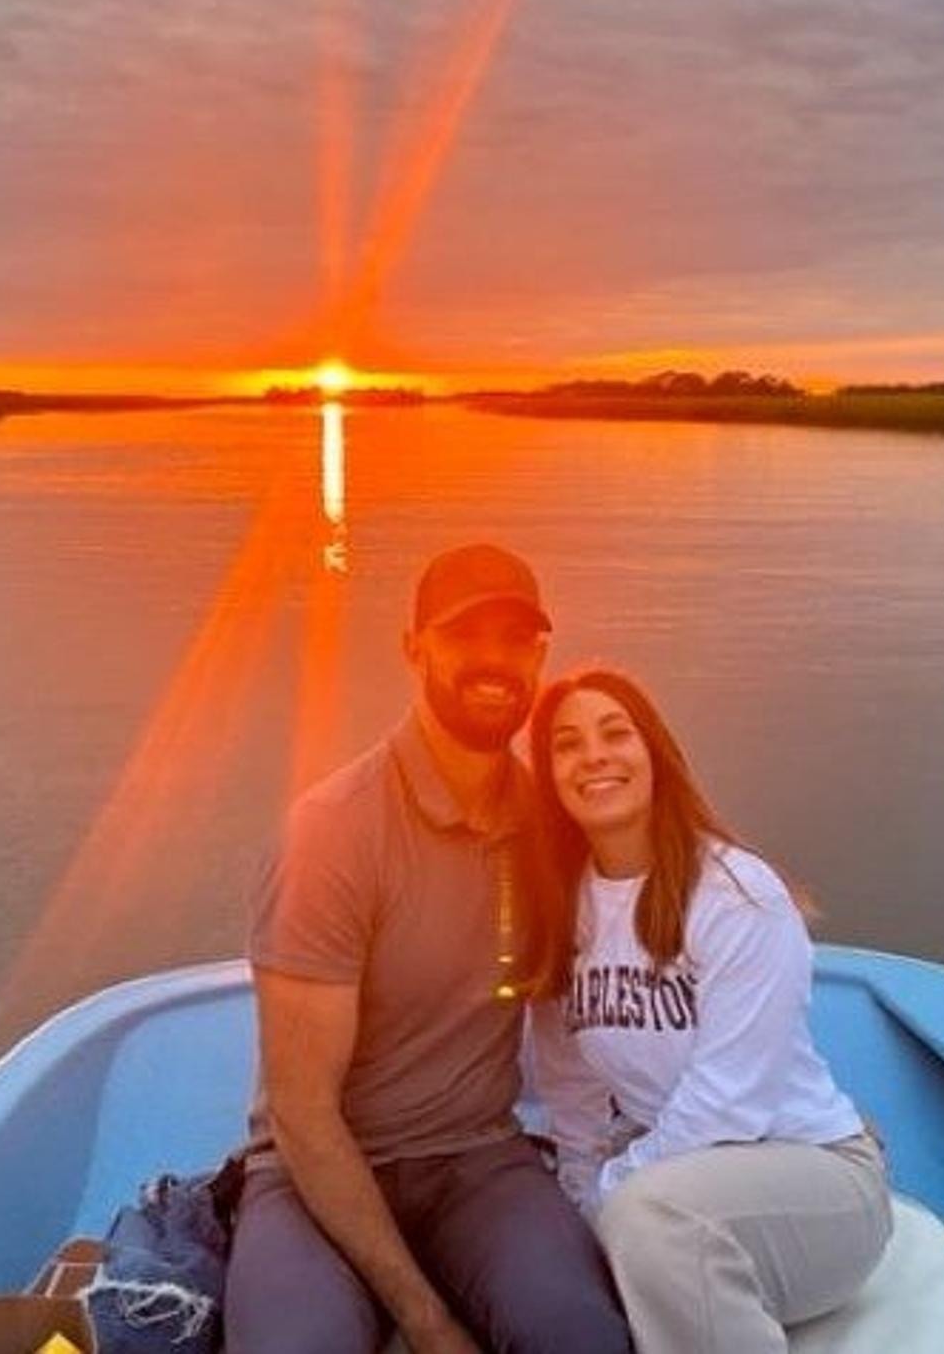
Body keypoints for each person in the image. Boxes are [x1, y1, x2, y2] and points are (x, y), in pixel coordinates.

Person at [224, 544, 633, 1354]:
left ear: (539, 654)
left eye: (517, 637)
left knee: (585, 1338)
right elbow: (303, 1113)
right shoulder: (333, 831)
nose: (494, 659)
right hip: (317, 1173)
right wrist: (426, 1317)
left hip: (479, 1158)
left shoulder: (551, 818)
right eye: (464, 634)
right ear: (414, 648)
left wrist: (758, 902)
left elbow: (658, 864)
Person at [524, 667, 892, 1354]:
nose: (595, 755)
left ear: (654, 753)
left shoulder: (733, 893)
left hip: (819, 1179)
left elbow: (729, 1103)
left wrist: (612, 1198)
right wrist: (581, 1193)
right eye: (567, 744)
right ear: (550, 778)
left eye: (615, 733)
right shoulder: (560, 908)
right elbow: (569, 1092)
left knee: (648, 1216)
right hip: (683, 1182)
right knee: (596, 1229)